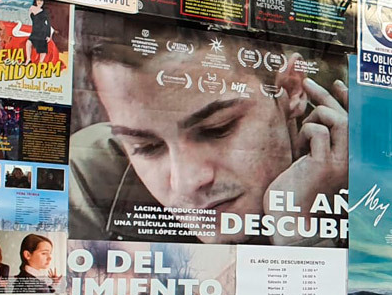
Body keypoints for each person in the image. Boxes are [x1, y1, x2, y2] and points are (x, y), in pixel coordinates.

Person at [68, 16, 348, 245]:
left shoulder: (366, 175)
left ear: (289, 90)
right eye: (146, 147)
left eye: (217, 129)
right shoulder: (87, 178)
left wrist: (298, 230)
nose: (188, 181)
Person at [24, 0, 53, 64]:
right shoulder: (32, 8)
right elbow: (31, 17)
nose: (39, 2)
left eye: (41, 0)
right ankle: (28, 59)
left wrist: (48, 35)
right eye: (38, 0)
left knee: (42, 48)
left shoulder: (45, 12)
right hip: (34, 31)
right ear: (36, 1)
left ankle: (40, 62)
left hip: (42, 31)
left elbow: (48, 24)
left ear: (43, 2)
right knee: (28, 43)